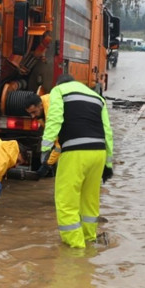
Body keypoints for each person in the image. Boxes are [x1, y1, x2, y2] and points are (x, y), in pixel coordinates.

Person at [39, 74, 114, 249]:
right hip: (98, 153)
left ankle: (76, 248)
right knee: (90, 200)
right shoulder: (97, 97)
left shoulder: (59, 91)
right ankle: (90, 238)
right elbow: (108, 132)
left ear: (60, 84)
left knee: (66, 201)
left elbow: (55, 119)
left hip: (74, 153)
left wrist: (45, 148)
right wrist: (108, 164)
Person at [23, 91, 60, 177]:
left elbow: (60, 143)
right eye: (30, 113)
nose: (32, 116)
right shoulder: (42, 109)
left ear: (40, 105)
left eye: (34, 112)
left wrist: (47, 164)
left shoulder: (52, 112)